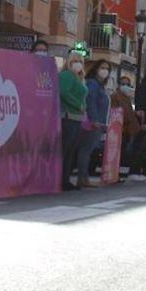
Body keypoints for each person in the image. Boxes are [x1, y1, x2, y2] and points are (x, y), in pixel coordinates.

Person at [78, 59, 112, 187]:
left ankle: (83, 177)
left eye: (107, 69)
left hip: (98, 122)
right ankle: (82, 178)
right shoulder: (93, 83)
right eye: (102, 68)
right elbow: (90, 101)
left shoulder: (99, 85)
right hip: (93, 123)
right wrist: (94, 119)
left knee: (87, 150)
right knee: (85, 150)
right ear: (96, 69)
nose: (105, 71)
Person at [58, 51, 88, 191]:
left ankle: (66, 178)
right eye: (74, 61)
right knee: (66, 149)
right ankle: (62, 179)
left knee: (71, 150)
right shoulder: (67, 76)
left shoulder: (79, 78)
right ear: (68, 62)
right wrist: (78, 104)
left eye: (81, 61)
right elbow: (64, 92)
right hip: (67, 116)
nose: (78, 64)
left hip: (76, 117)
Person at [115, 76, 146, 177]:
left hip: (127, 130)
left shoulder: (127, 98)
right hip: (120, 129)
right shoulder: (115, 97)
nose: (126, 86)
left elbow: (128, 112)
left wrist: (135, 113)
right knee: (119, 151)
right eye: (123, 84)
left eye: (128, 84)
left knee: (123, 151)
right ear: (119, 85)